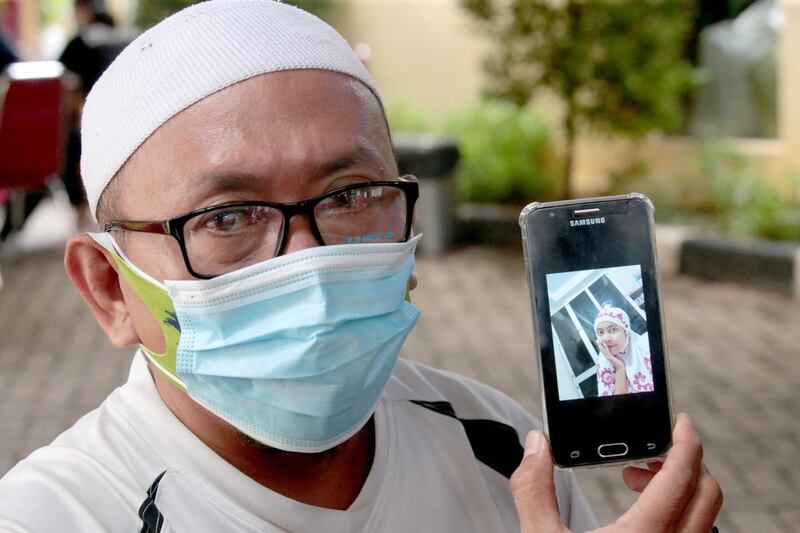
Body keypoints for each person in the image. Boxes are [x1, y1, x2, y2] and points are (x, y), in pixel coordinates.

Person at [0, 1, 721, 531]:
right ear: (109, 288)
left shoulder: (503, 447)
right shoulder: (54, 515)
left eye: (349, 195)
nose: (308, 264)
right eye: (227, 217)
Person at [58, 0, 137, 227]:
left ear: (82, 11)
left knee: (66, 146)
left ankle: (80, 213)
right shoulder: (129, 35)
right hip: (135, 124)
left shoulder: (80, 41)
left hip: (94, 126)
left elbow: (67, 85)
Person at [594, 304, 655, 396]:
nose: (606, 338)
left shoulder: (646, 346)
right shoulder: (604, 363)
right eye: (600, 332)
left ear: (626, 331)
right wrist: (619, 368)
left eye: (613, 329)